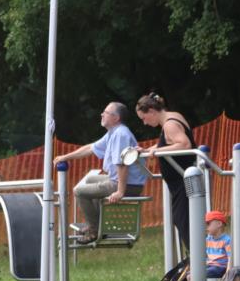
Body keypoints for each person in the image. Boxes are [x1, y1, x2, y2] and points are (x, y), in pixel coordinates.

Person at [54, 102, 147, 243]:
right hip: (120, 180)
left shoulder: (120, 135)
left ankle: (94, 230)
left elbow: (122, 164)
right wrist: (65, 157)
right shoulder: (113, 132)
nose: (102, 114)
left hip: (127, 184)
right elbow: (91, 148)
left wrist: (120, 192)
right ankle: (98, 224)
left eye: (106, 112)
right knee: (90, 180)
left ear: (116, 118)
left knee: (79, 191)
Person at [135, 93, 196, 249]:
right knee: (183, 219)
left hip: (183, 179)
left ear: (151, 111)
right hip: (180, 181)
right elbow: (168, 143)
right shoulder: (173, 117)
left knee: (184, 221)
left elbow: (184, 144)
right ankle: (198, 261)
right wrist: (148, 150)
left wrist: (158, 152)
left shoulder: (169, 125)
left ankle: (201, 263)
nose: (144, 123)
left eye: (144, 118)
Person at [204, 210, 231, 279]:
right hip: (209, 265)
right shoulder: (208, 239)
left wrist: (228, 273)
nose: (206, 227)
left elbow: (231, 258)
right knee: (192, 273)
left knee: (200, 274)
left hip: (220, 267)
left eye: (208, 223)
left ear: (219, 224)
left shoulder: (227, 240)